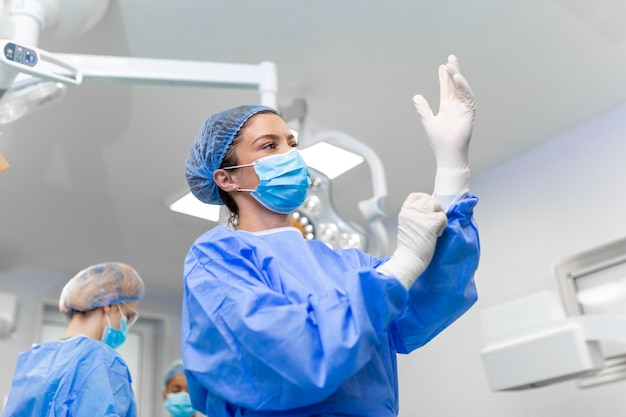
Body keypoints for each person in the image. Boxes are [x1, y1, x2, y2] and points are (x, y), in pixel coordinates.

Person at [182, 54, 479, 416]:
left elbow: (432, 294)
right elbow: (292, 355)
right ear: (227, 178)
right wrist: (401, 264)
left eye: (292, 143)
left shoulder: (347, 264)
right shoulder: (216, 259)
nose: (291, 154)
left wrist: (451, 168)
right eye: (269, 146)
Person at [2, 262, 145, 417]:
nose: (123, 326)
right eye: (127, 316)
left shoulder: (34, 360)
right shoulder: (102, 361)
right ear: (109, 305)